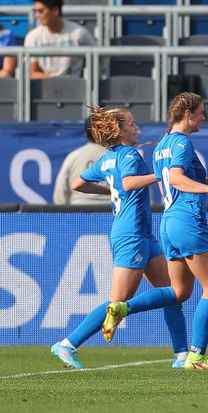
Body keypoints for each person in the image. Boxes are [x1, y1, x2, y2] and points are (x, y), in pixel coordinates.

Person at [101, 92, 208, 370]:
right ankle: (195, 356)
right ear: (187, 113)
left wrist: (200, 179)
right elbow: (175, 178)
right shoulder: (183, 142)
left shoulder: (162, 143)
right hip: (188, 221)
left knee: (178, 292)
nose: (203, 117)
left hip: (168, 223)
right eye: (200, 112)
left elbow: (167, 184)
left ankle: (124, 307)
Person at [50, 107, 187, 370]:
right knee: (118, 302)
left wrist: (109, 191)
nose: (137, 129)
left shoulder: (108, 158)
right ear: (119, 130)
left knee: (172, 293)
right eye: (132, 125)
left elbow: (77, 184)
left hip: (142, 232)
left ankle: (181, 356)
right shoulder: (129, 155)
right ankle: (67, 344)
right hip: (131, 233)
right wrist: (162, 175)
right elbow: (127, 184)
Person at [24, 0, 96, 78]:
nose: (37, 15)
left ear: (55, 11)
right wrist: (55, 80)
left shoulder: (78, 33)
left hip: (74, 88)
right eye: (35, 11)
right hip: (44, 87)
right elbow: (32, 73)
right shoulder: (33, 37)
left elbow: (97, 59)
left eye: (41, 11)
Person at [53, 117, 111, 205]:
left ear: (85, 133)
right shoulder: (120, 156)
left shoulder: (74, 157)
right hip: (113, 214)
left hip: (79, 214)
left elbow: (60, 192)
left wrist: (63, 215)